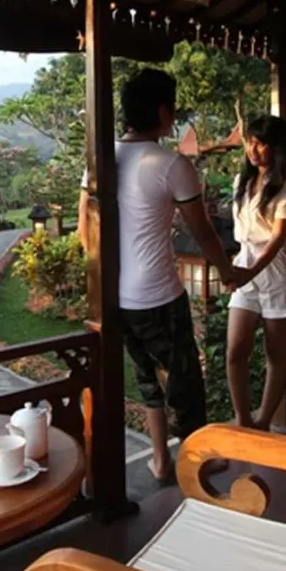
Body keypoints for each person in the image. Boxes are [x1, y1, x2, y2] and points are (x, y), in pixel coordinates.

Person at [79, 68, 250, 482]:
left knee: (146, 379)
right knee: (186, 385)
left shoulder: (101, 161)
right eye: (172, 106)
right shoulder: (172, 165)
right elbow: (204, 233)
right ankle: (199, 467)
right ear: (161, 110)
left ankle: (159, 460)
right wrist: (228, 271)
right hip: (157, 295)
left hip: (116, 299)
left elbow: (86, 231)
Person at [226, 114, 286, 433]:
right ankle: (244, 421)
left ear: (276, 147)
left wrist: (249, 272)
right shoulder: (241, 182)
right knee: (235, 351)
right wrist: (239, 270)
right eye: (249, 142)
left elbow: (278, 236)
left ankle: (264, 421)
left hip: (277, 270)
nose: (252, 149)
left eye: (260, 143)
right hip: (246, 265)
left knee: (275, 352)